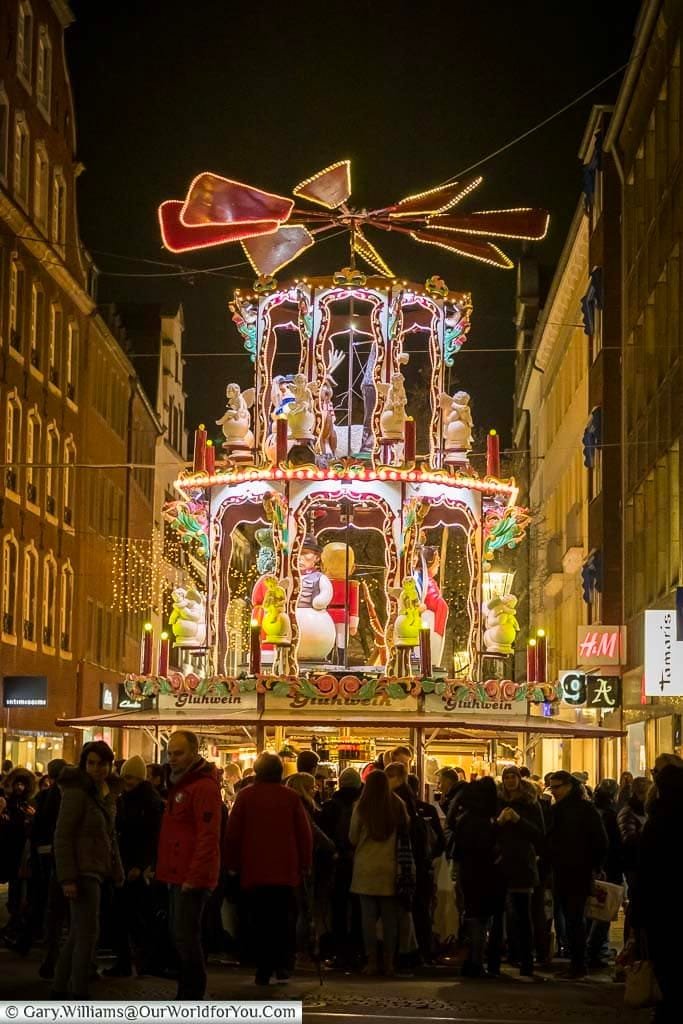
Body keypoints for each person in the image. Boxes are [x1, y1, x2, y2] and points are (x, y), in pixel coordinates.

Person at [224, 753, 312, 986]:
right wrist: (305, 863)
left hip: (253, 869)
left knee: (258, 920)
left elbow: (232, 834)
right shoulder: (291, 798)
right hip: (285, 870)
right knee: (284, 920)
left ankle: (263, 968)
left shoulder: (245, 797)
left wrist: (232, 864)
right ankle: (283, 965)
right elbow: (304, 834)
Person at [52, 742, 123, 999]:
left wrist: (117, 868)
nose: (96, 768)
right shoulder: (77, 792)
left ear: (109, 765)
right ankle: (78, 992)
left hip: (96, 868)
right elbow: (63, 836)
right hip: (82, 871)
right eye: (91, 763)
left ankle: (60, 988)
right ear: (83, 764)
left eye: (102, 763)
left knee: (79, 932)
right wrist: (67, 878)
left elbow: (109, 835)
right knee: (87, 933)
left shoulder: (105, 792)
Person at [155, 731, 222, 1000]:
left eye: (178, 753)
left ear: (194, 753)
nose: (172, 758)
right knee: (180, 935)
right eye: (170, 753)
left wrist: (194, 876)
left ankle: (191, 995)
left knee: (186, 937)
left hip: (190, 876)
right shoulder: (180, 785)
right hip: (177, 872)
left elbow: (208, 835)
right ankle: (188, 992)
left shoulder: (201, 787)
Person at [630, 764, 683, 1023]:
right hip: (668, 902)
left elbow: (645, 870)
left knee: (665, 961)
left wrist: (637, 914)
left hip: (660, 906)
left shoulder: (657, 821)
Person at [105, 755, 164, 978]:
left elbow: (151, 836)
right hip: (124, 864)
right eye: (125, 777)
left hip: (134, 867)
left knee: (132, 916)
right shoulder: (126, 798)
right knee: (125, 916)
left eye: (131, 777)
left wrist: (140, 865)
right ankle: (131, 960)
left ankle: (136, 961)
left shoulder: (148, 801)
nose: (127, 781)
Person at [547, 771, 607, 978]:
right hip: (565, 870)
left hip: (576, 870)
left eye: (557, 787)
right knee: (571, 918)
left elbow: (600, 840)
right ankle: (576, 962)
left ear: (569, 786)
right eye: (552, 787)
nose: (554, 791)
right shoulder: (559, 809)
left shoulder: (583, 809)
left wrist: (594, 866)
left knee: (574, 918)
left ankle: (578, 964)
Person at [349, 770, 409, 976]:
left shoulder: (360, 807)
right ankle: (389, 962)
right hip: (390, 868)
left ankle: (372, 961)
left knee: (368, 919)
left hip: (365, 868)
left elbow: (352, 837)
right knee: (390, 919)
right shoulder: (398, 805)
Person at [492, 765, 544, 977]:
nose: (510, 780)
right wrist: (499, 822)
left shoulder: (531, 803)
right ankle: (500, 960)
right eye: (507, 777)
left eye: (513, 777)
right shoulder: (498, 802)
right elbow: (490, 833)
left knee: (523, 915)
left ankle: (526, 961)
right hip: (500, 864)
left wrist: (518, 820)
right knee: (498, 916)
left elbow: (539, 834)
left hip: (522, 864)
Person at [450, 778, 502, 977]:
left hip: (470, 873)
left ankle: (474, 960)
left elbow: (460, 848)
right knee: (482, 919)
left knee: (474, 917)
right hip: (489, 873)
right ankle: (477, 961)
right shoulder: (490, 820)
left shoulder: (467, 818)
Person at [386, 762, 432, 967]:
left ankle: (406, 954)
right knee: (413, 909)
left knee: (403, 910)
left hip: (405, 861)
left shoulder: (396, 800)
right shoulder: (412, 801)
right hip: (416, 861)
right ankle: (418, 952)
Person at [286, 772, 335, 964]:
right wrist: (331, 847)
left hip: (288, 861)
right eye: (313, 787)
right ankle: (301, 951)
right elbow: (312, 832)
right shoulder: (303, 807)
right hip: (304, 862)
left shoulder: (288, 805)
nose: (316, 791)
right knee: (304, 908)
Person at [319, 767, 363, 969]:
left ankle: (338, 949)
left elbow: (322, 835)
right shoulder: (363, 806)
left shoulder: (329, 806)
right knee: (358, 908)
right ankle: (357, 949)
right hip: (358, 862)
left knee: (337, 908)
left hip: (335, 864)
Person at [587, 779, 623, 969]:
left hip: (597, 868)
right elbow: (613, 845)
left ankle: (595, 949)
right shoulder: (610, 815)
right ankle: (594, 950)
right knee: (604, 912)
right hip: (608, 869)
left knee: (595, 910)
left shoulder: (594, 812)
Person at [0, 768, 37, 939]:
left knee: (20, 888)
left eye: (23, 784)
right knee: (15, 887)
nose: (20, 787)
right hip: (10, 849)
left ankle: (16, 920)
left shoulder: (28, 805)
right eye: (17, 783)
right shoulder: (8, 803)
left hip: (22, 852)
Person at [617, 775, 649, 942]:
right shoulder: (629, 811)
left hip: (641, 863)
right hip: (634, 864)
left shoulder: (647, 810)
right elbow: (628, 839)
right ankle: (631, 943)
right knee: (636, 902)